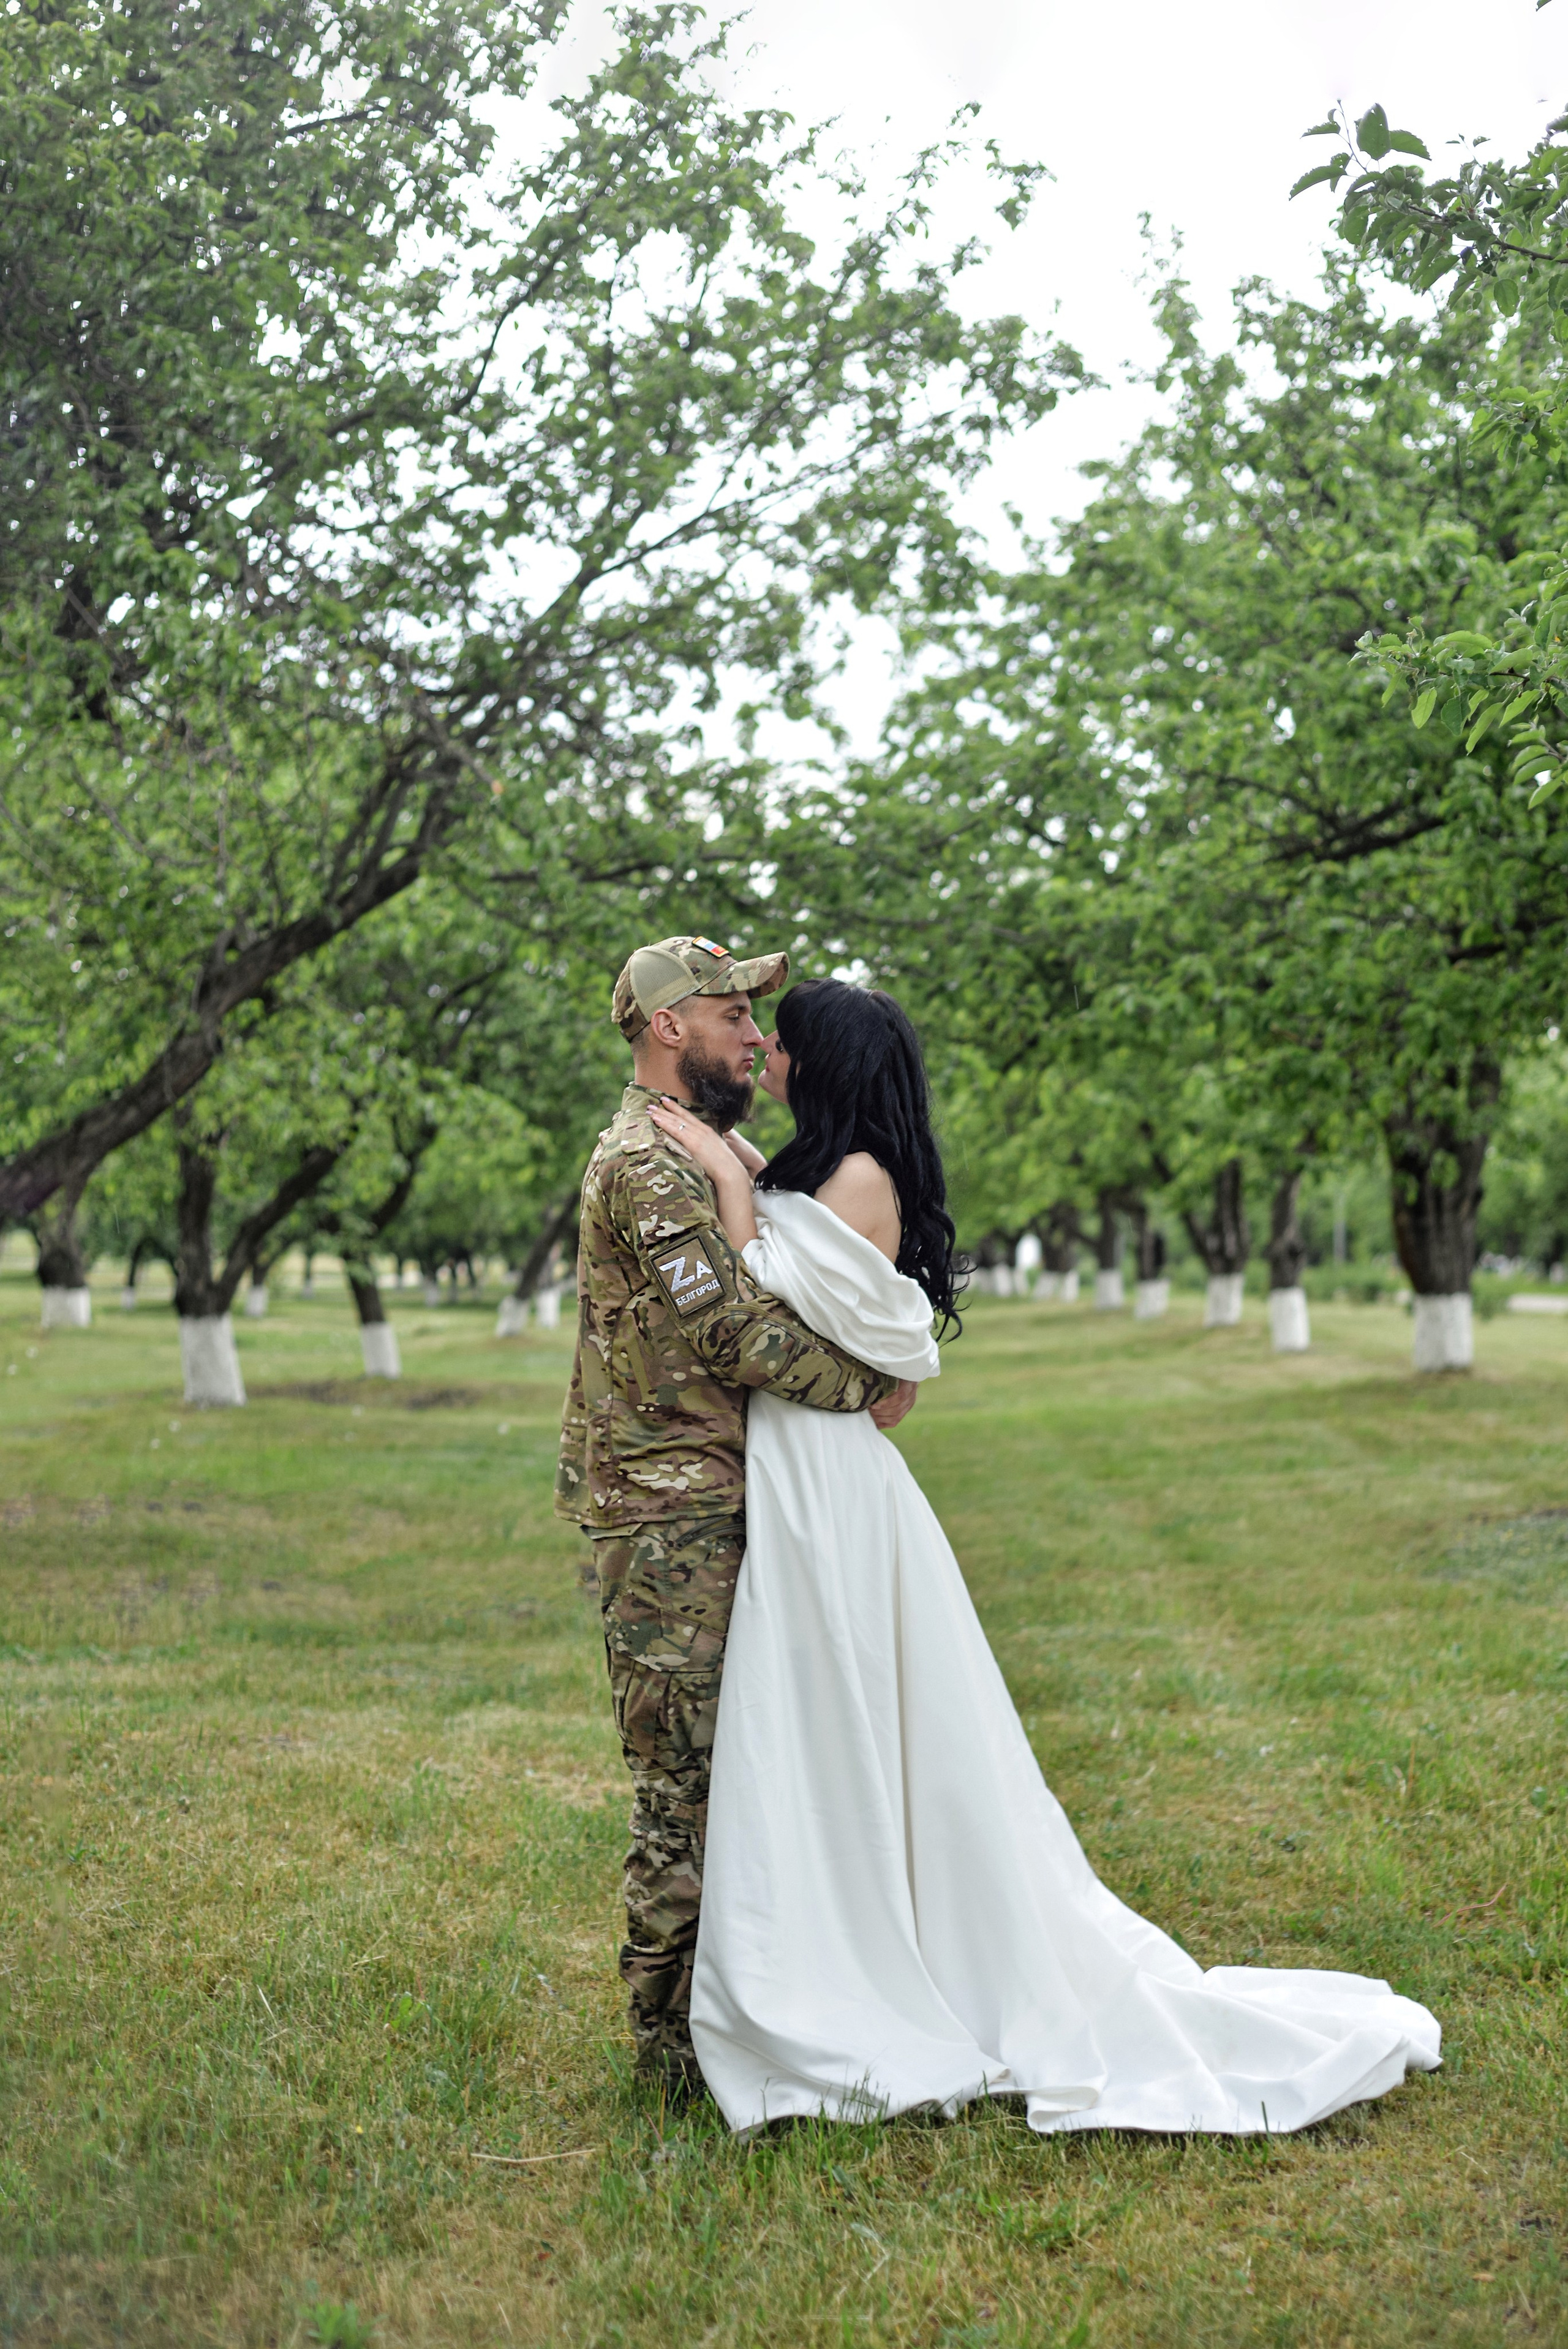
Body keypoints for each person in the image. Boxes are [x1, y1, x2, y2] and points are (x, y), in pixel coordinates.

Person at [652, 978, 1442, 2135]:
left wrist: (727, 1181)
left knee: (842, 1707)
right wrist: (747, 1172)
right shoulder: (818, 1168)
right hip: (807, 1474)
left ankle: (876, 1976)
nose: (764, 1048)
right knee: (832, 1718)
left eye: (784, 1039)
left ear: (822, 1064)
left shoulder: (854, 1177)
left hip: (830, 1485)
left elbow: (764, 1316)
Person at [555, 936, 916, 2094]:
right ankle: (670, 2048)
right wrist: (870, 1381)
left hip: (712, 1496)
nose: (757, 1039)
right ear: (670, 1029)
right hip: (666, 1516)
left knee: (739, 1768)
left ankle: (733, 2019)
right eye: (731, 1019)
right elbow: (734, 1336)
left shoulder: (701, 1151)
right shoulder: (648, 1164)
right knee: (686, 1781)